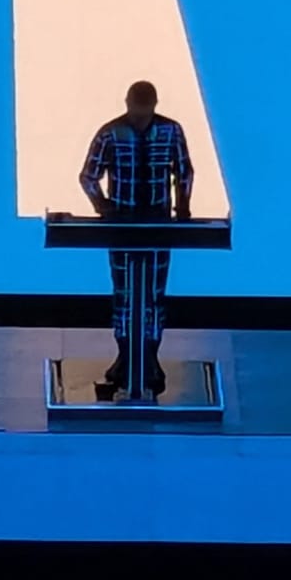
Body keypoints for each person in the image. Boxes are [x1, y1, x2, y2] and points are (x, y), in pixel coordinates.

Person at [79, 79, 194, 393]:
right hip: (122, 227)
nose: (140, 116)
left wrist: (183, 207)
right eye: (136, 109)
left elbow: (184, 171)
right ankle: (125, 355)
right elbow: (88, 176)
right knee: (124, 294)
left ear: (154, 106)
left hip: (159, 225)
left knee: (154, 294)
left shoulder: (171, 131)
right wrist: (104, 207)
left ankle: (150, 357)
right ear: (127, 103)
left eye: (145, 110)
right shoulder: (110, 134)